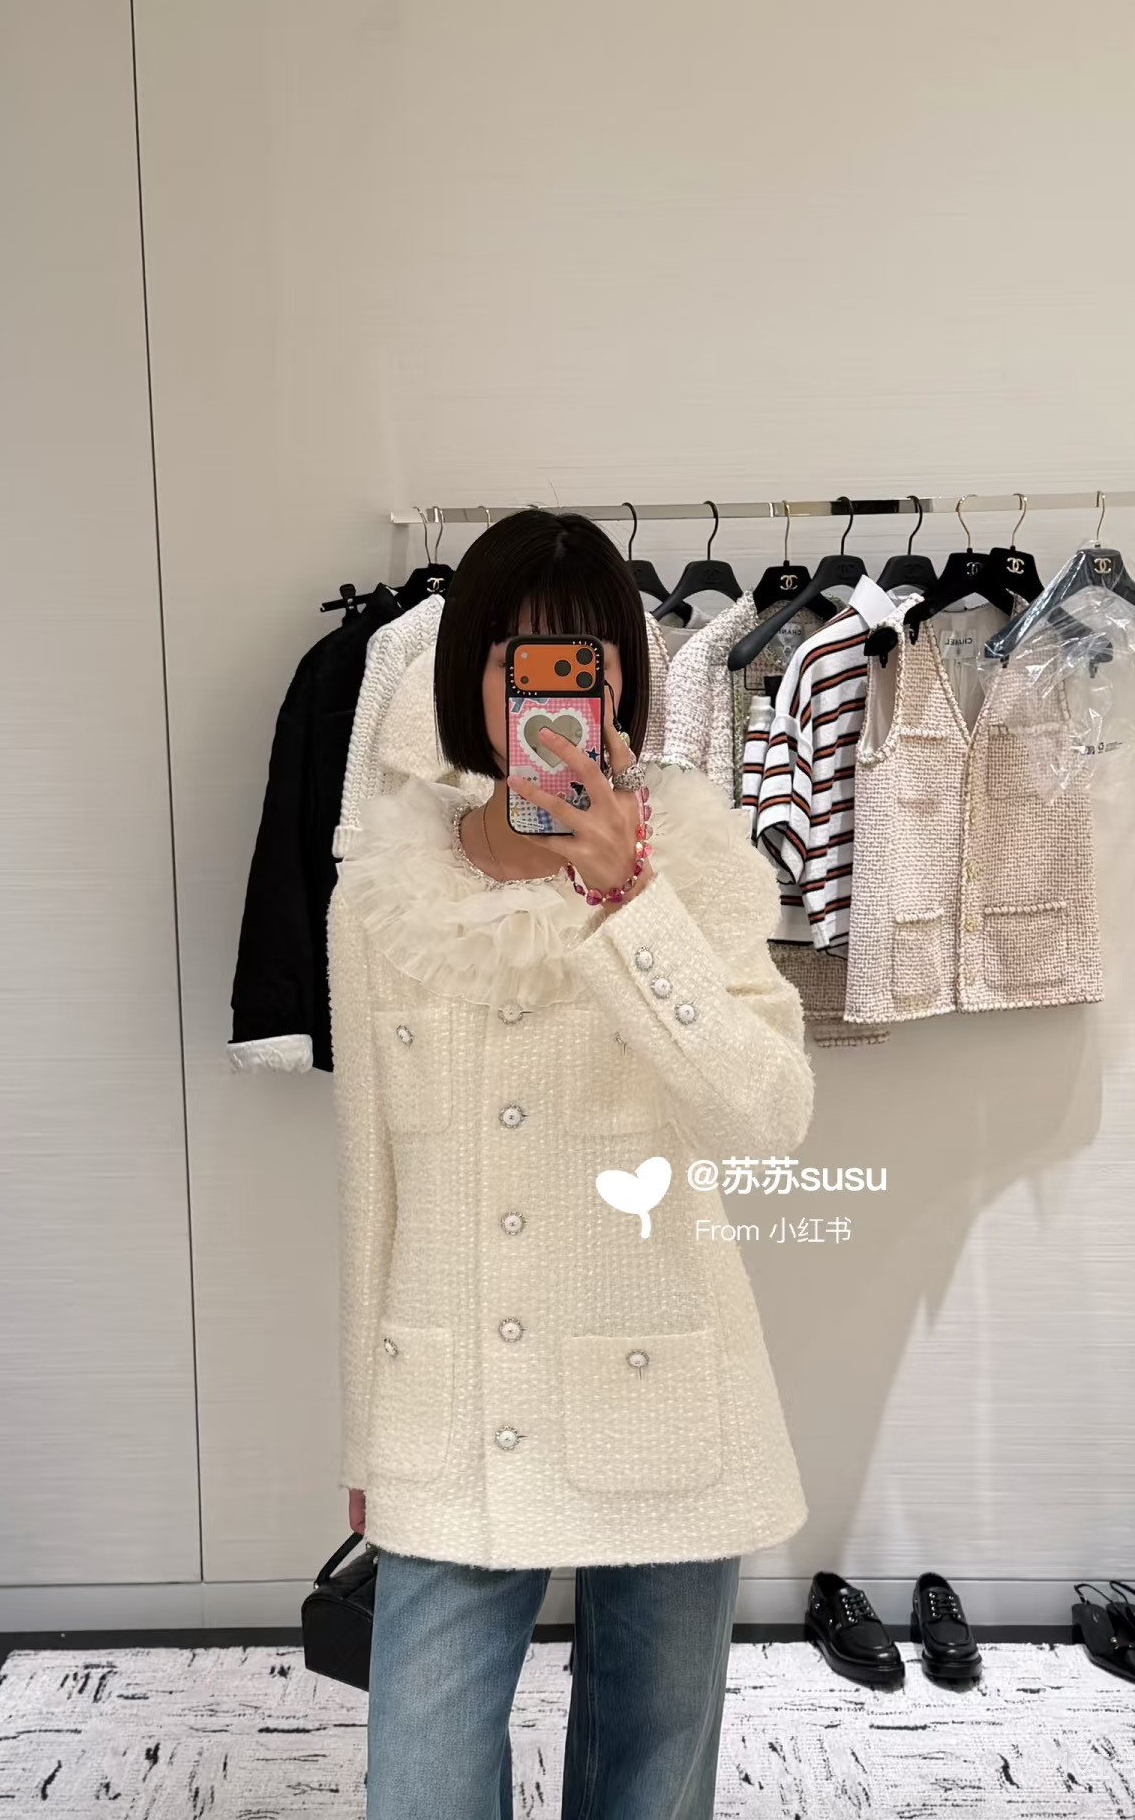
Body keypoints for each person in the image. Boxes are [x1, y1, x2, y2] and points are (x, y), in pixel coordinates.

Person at [326, 508, 815, 1818]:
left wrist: (630, 907)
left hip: (661, 1383)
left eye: (582, 665)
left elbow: (768, 1118)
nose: (549, 696)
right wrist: (363, 1431)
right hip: (450, 1397)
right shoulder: (377, 900)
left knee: (650, 1783)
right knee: (421, 1787)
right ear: (467, 678)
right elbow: (370, 1189)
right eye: (520, 662)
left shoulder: (699, 869)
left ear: (623, 686)